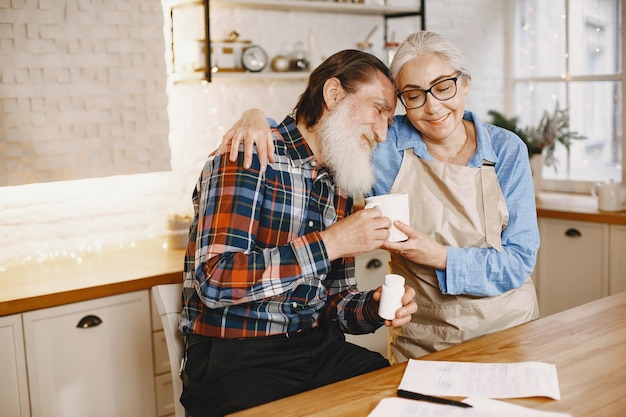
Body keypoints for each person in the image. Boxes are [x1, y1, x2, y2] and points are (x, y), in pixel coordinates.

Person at [219, 30, 541, 365]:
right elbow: (321, 130)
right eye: (414, 96)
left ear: (465, 84)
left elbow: (518, 261)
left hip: (508, 329)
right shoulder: (385, 143)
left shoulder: (506, 149)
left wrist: (439, 256)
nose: (433, 107)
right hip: (426, 338)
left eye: (444, 87)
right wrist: (255, 118)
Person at [179, 49, 418, 417]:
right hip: (238, 357)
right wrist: (333, 242)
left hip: (316, 347)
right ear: (334, 94)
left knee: (398, 397)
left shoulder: (339, 179)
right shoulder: (250, 153)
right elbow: (215, 280)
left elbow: (335, 304)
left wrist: (373, 307)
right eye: (379, 110)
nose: (383, 134)